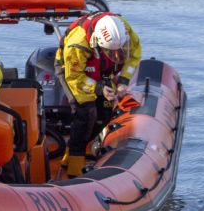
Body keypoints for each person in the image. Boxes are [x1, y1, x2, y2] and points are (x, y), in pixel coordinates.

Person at [54, 12, 141, 177]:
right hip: (74, 72)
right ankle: (74, 167)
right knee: (85, 114)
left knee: (104, 114)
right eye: (112, 52)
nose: (117, 56)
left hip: (101, 69)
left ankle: (71, 151)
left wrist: (123, 81)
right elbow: (74, 76)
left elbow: (134, 56)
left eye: (119, 52)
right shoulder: (77, 44)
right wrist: (99, 89)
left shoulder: (124, 31)